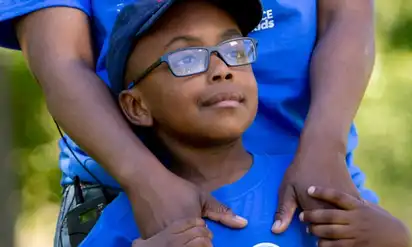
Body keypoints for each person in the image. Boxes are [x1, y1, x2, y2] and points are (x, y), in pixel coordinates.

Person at [0, 0, 377, 245]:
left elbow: (349, 15)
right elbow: (60, 61)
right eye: (187, 57)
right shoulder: (121, 225)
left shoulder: (329, 216)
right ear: (136, 104)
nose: (221, 70)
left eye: (233, 49)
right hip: (131, 194)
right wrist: (145, 181)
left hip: (314, 179)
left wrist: (325, 145)